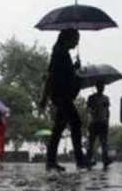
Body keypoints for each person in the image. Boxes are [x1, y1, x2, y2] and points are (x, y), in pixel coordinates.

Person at [39, 28, 87, 172]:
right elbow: (51, 76)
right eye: (76, 38)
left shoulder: (63, 53)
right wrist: (44, 97)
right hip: (62, 96)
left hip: (62, 95)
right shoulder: (59, 54)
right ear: (68, 38)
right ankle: (80, 160)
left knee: (58, 128)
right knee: (76, 123)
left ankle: (51, 161)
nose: (77, 42)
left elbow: (63, 74)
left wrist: (74, 67)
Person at [86, 82, 112, 170]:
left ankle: (102, 159)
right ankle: (93, 159)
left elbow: (107, 111)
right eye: (101, 86)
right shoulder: (93, 98)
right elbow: (89, 109)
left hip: (98, 122)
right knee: (97, 142)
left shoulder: (103, 98)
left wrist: (107, 120)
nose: (102, 88)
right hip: (97, 122)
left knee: (98, 142)